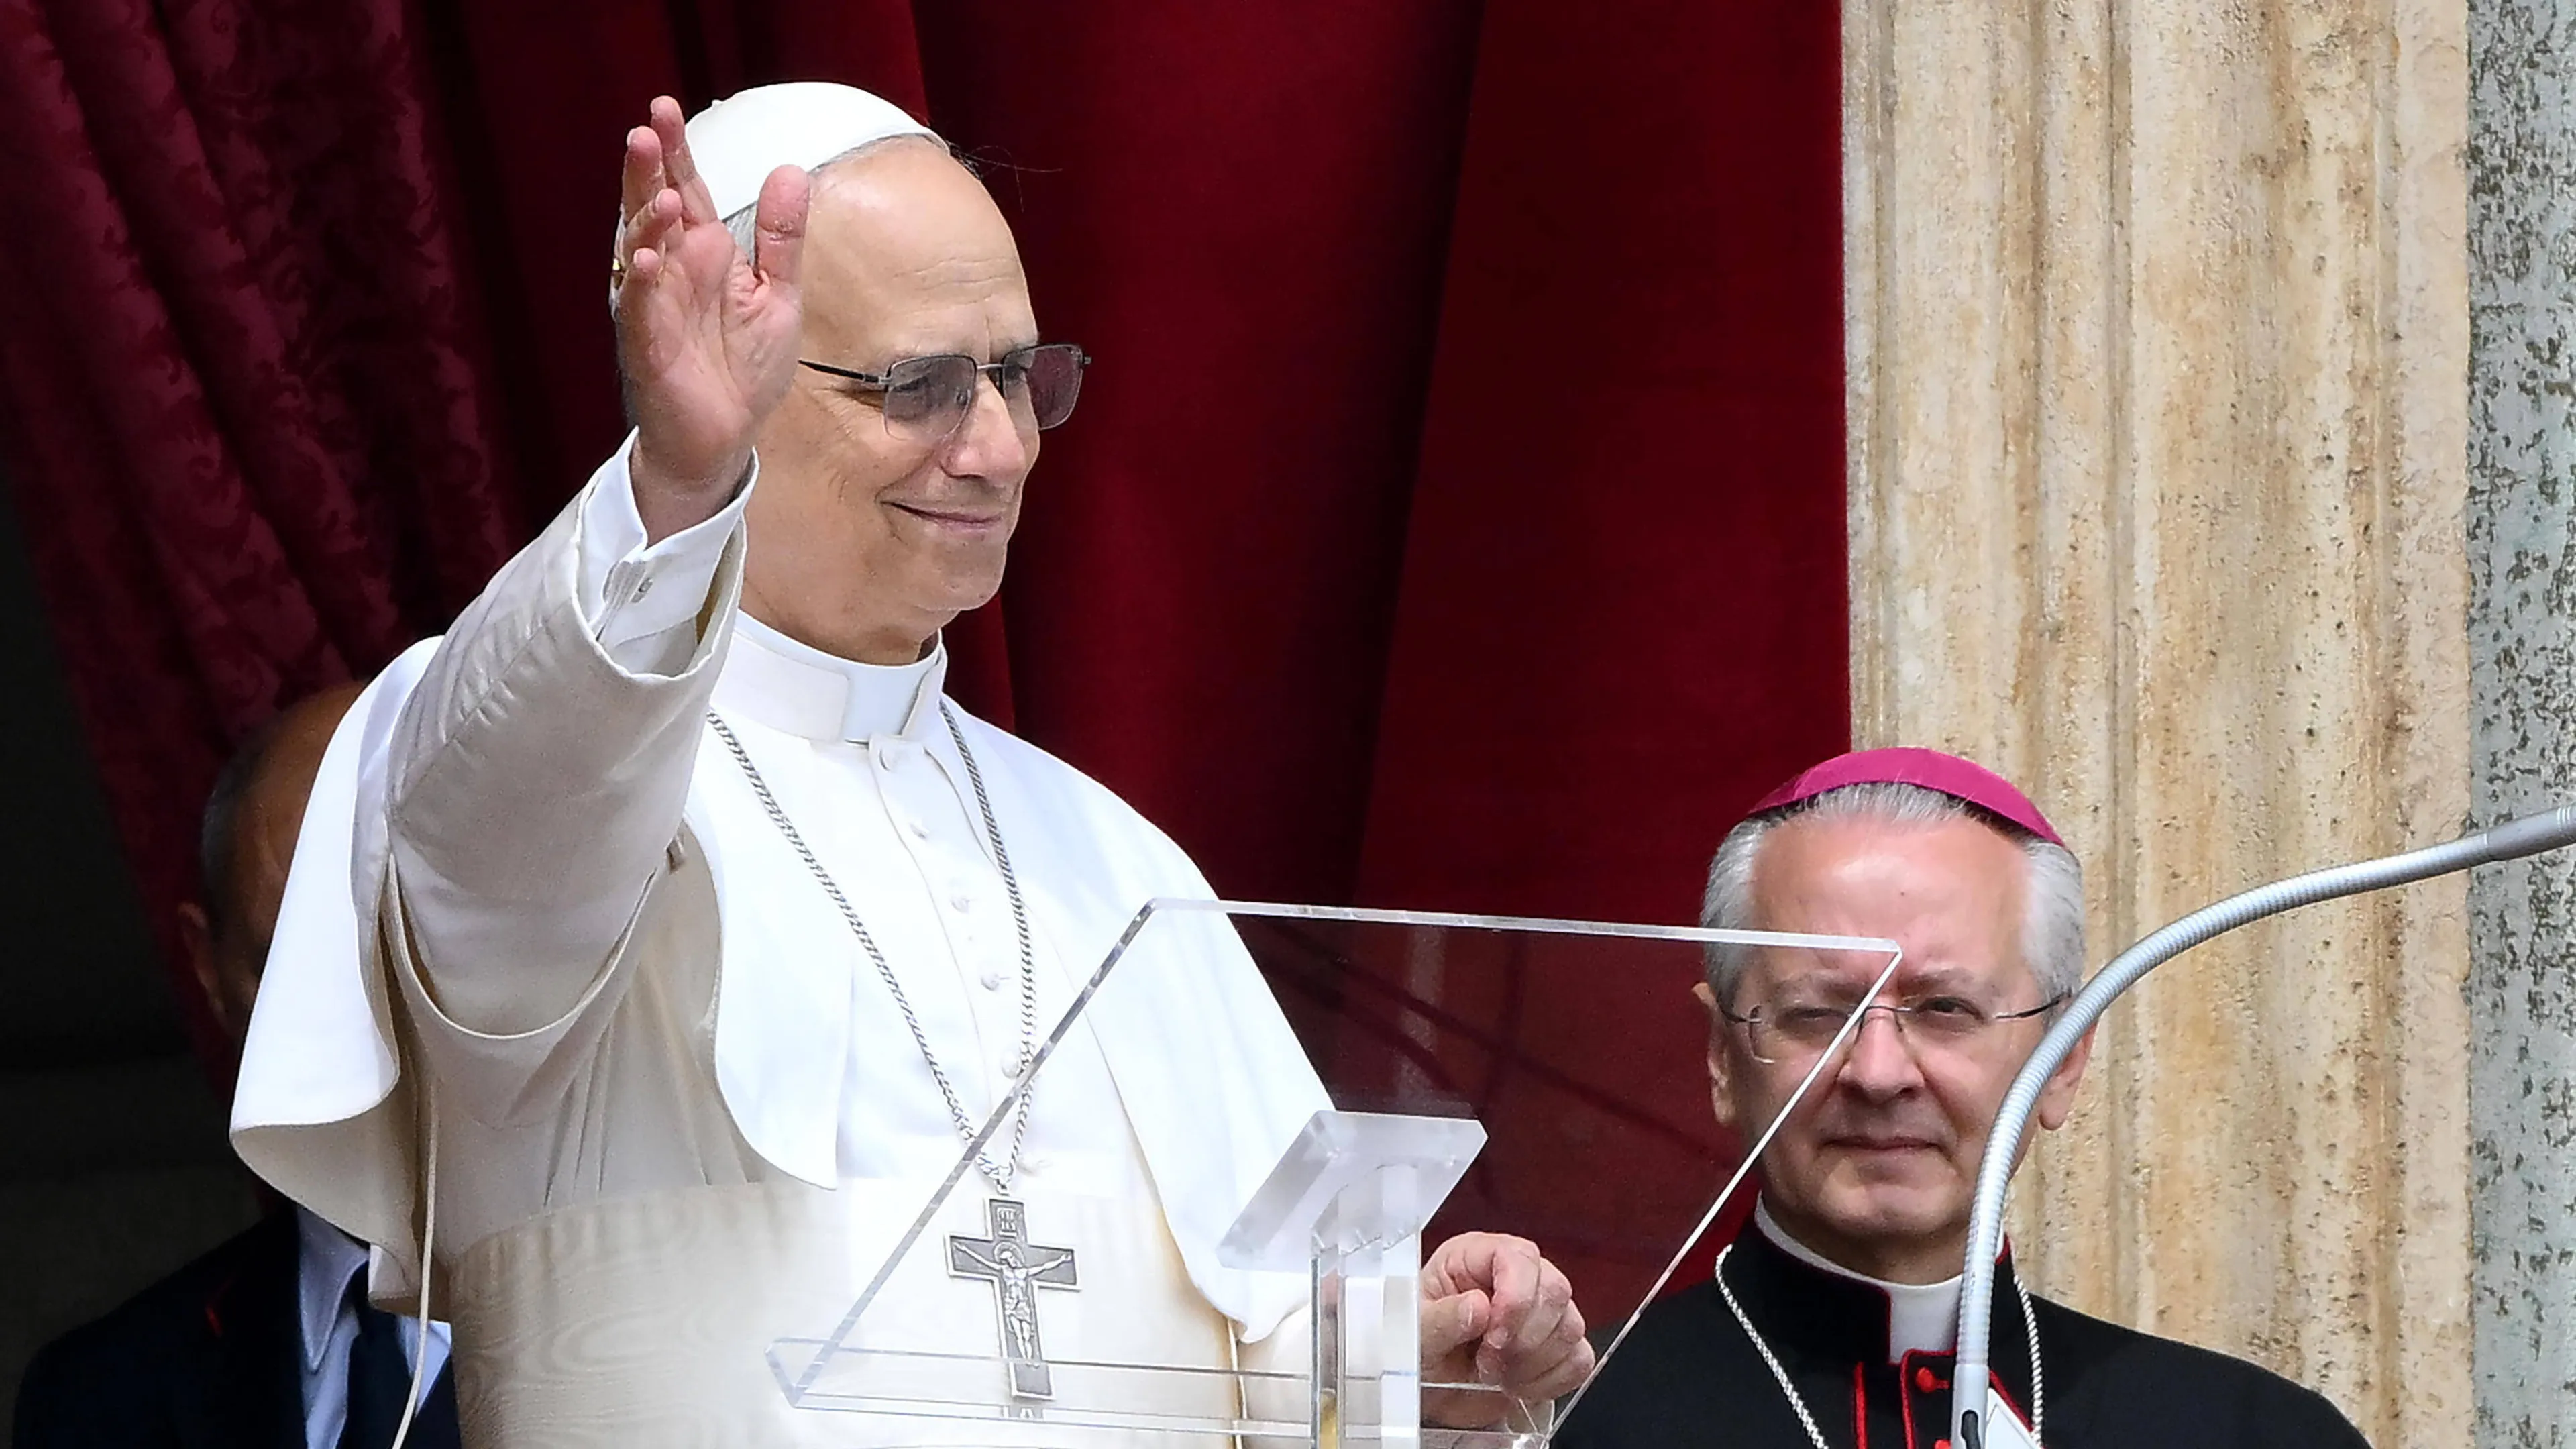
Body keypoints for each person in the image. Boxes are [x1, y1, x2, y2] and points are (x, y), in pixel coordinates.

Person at [228, 83, 1588, 1446]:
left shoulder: (1107, 851)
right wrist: (676, 484)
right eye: (921, 387)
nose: (997, 448)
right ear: (726, 368)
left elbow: (1231, 1356)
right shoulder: (523, 739)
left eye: (1020, 376)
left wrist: (1401, 1365)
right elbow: (513, 817)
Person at [1555, 748, 2371, 1449]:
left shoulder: (2253, 1433)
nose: (1878, 1074)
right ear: (1723, 1058)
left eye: (1946, 1009)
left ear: (2063, 1063)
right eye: (1816, 1012)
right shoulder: (1554, 1425)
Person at [15, 684, 462, 1449]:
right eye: (294, 967)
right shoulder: (102, 1399)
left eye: (410, 952)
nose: (367, 1024)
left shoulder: (712, 1331)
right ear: (210, 970)